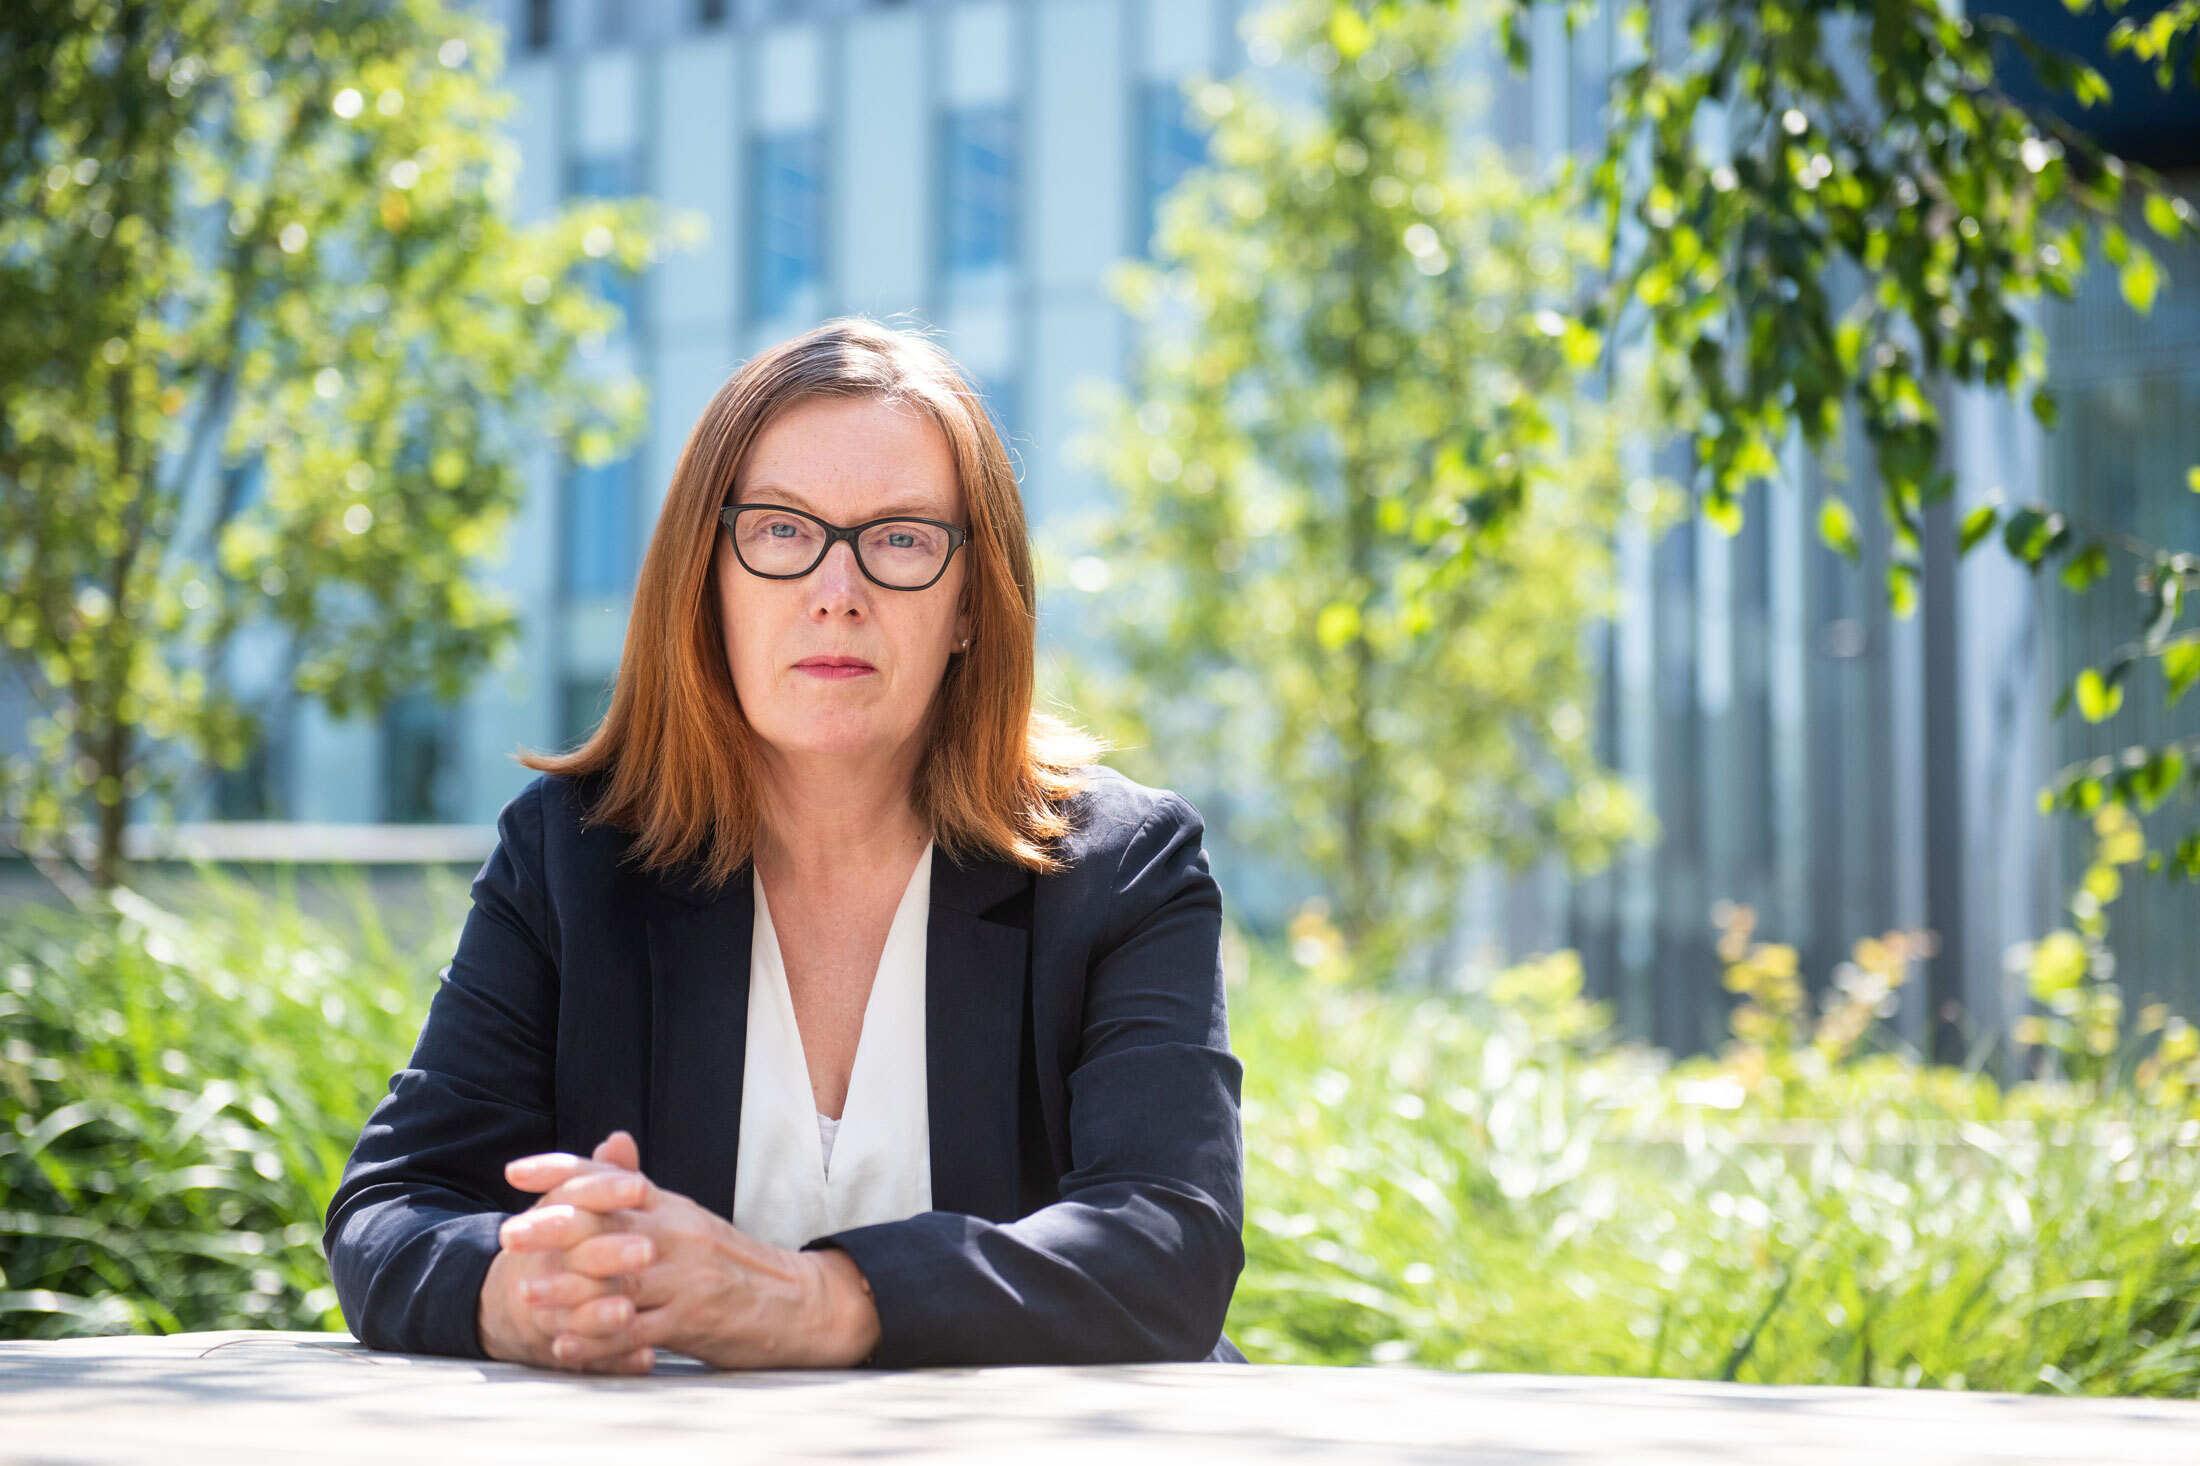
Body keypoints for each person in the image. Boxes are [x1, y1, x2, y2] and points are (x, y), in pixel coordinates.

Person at [323, 318, 1245, 1373]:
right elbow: (392, 1207)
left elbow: (1168, 1238)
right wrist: (516, 1286)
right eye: (778, 529)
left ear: (969, 608)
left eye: (900, 537)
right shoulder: (572, 858)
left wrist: (811, 1301)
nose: (835, 591)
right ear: (705, 582)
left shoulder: (1122, 868)